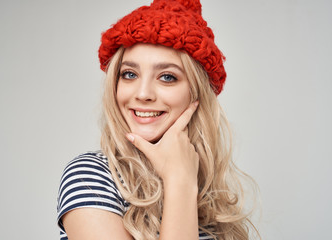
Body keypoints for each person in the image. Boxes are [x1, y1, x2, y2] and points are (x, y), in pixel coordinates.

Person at [57, 0, 259, 239]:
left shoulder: (209, 192)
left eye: (167, 77)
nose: (142, 94)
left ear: (196, 92)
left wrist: (183, 178)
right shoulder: (91, 177)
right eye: (129, 74)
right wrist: (179, 182)